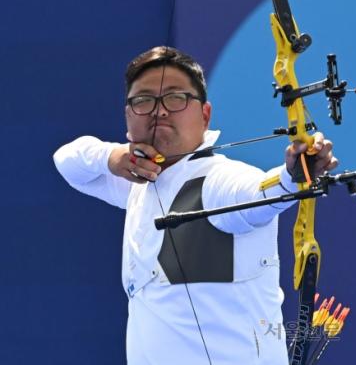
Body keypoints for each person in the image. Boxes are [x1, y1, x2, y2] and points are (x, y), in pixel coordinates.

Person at [53, 46, 338, 364]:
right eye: (143, 100)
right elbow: (68, 161)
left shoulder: (217, 180)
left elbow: (255, 193)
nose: (159, 111)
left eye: (175, 98)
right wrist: (113, 156)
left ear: (204, 114)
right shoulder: (140, 182)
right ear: (128, 114)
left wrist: (290, 177)